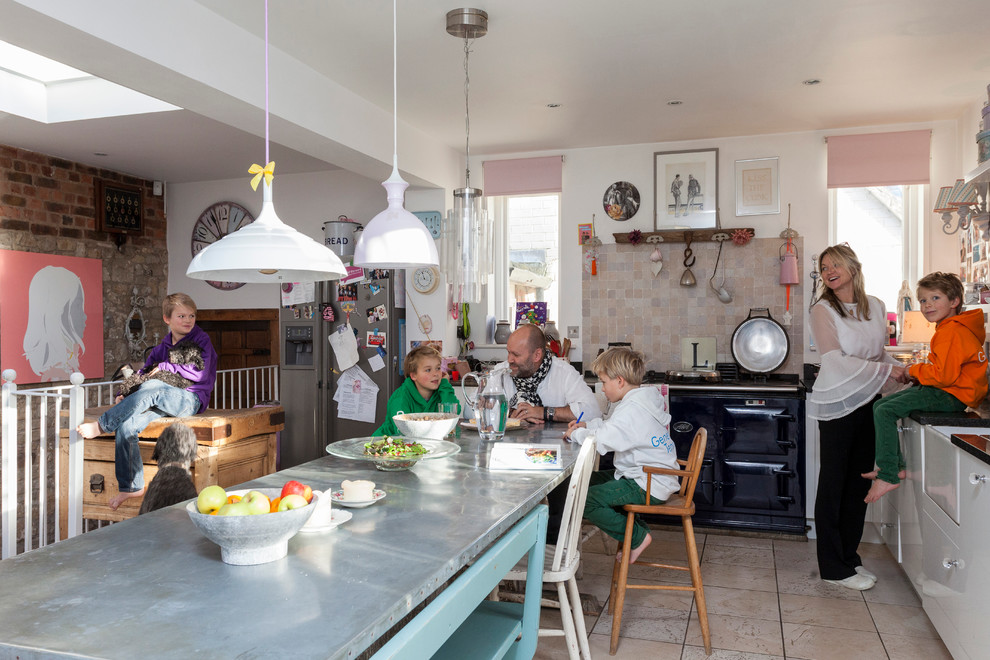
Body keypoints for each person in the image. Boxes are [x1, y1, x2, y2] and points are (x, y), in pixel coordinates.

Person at [807, 245, 909, 591]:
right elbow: (834, 360)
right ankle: (832, 567)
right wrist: (887, 371)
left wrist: (902, 370)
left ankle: (849, 558)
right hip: (838, 403)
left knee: (859, 482)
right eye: (824, 267)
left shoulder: (876, 306)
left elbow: (878, 352)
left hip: (869, 402)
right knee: (834, 483)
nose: (829, 270)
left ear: (853, 266)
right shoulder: (822, 310)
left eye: (835, 264)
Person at [76, 293, 217, 510]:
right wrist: (128, 392)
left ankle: (102, 425)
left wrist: (165, 367)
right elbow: (144, 373)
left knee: (152, 388)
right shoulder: (162, 347)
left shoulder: (201, 340)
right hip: (163, 398)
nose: (188, 320)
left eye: (191, 316)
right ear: (167, 319)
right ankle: (131, 485)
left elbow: (199, 374)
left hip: (190, 399)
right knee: (127, 424)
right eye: (181, 316)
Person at [864, 272, 987, 503]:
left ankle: (889, 474)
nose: (927, 305)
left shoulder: (950, 331)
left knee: (883, 410)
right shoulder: (951, 327)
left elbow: (944, 376)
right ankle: (894, 467)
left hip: (951, 395)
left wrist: (914, 371)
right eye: (923, 300)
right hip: (951, 391)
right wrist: (919, 374)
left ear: (954, 301)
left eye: (935, 298)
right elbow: (947, 370)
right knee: (882, 404)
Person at [564, 347, 676, 565]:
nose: (603, 389)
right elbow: (611, 426)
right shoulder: (639, 402)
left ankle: (637, 536)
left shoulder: (632, 410)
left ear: (620, 381)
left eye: (604, 382)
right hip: (648, 475)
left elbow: (605, 439)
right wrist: (587, 425)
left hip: (648, 482)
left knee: (586, 499)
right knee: (580, 482)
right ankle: (638, 532)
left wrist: (576, 434)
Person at [496, 323, 601, 426]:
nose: (509, 359)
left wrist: (543, 412)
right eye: (508, 352)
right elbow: (482, 404)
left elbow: (592, 411)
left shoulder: (564, 373)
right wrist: (512, 412)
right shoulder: (500, 372)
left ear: (537, 355)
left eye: (516, 355)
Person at [373, 345, 459, 436]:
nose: (436, 374)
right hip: (387, 444)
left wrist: (445, 384)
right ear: (413, 376)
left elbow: (453, 415)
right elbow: (403, 433)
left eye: (438, 368)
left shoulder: (441, 391)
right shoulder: (401, 398)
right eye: (428, 370)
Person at [22, 266, 87, 381]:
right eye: (77, 306)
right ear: (58, 310)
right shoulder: (55, 372)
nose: (84, 316)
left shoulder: (69, 358)